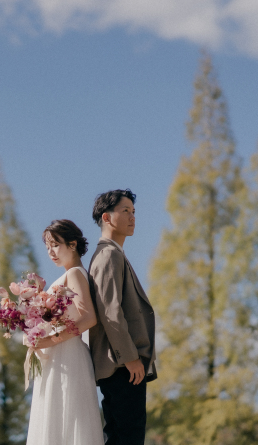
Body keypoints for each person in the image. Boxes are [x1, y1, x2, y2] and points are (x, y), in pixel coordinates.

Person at [25, 219, 104, 445]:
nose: (51, 252)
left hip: (68, 354)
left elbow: (88, 317)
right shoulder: (67, 275)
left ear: (72, 244)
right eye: (47, 246)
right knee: (56, 421)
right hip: (57, 357)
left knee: (69, 420)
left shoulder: (75, 274)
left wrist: (49, 340)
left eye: (56, 245)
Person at [87, 189, 157, 445]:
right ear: (106, 217)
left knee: (120, 436)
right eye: (125, 211)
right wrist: (130, 358)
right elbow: (110, 311)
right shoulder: (108, 255)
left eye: (134, 211)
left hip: (121, 365)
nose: (132, 217)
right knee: (128, 436)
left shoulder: (114, 254)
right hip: (121, 365)